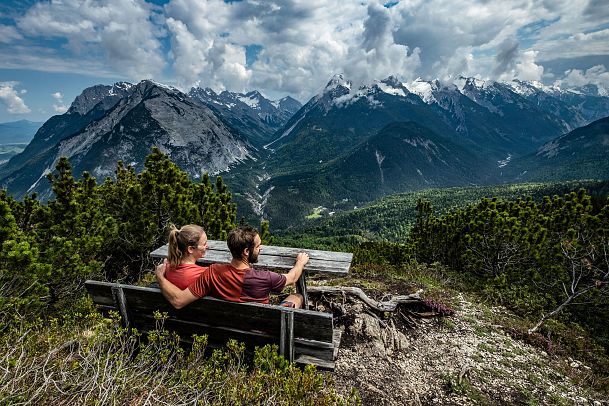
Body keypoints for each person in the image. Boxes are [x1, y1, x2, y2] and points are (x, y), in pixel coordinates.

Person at [155, 225, 309, 309]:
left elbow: (179, 298)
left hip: (226, 330)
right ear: (246, 251)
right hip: (264, 331)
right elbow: (293, 277)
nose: (261, 248)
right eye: (258, 246)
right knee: (297, 297)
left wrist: (161, 276)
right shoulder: (265, 277)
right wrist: (300, 262)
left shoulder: (212, 273)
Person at [163, 224, 209, 289]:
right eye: (204, 244)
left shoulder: (166, 268)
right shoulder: (204, 274)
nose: (207, 246)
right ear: (191, 249)